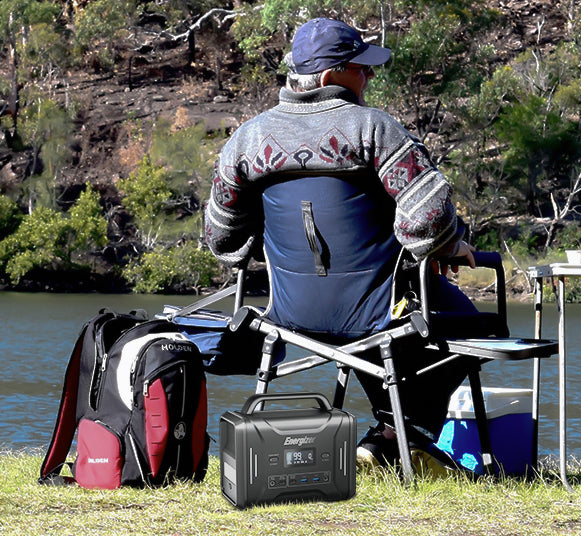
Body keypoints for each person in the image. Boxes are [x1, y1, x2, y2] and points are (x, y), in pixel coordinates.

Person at [203, 18, 477, 471]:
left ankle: (386, 441)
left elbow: (222, 238)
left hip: (290, 317)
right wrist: (442, 248)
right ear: (331, 77)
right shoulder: (374, 129)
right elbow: (429, 216)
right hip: (376, 313)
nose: (369, 76)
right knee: (466, 323)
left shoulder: (246, 140)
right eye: (360, 67)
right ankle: (405, 437)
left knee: (388, 328)